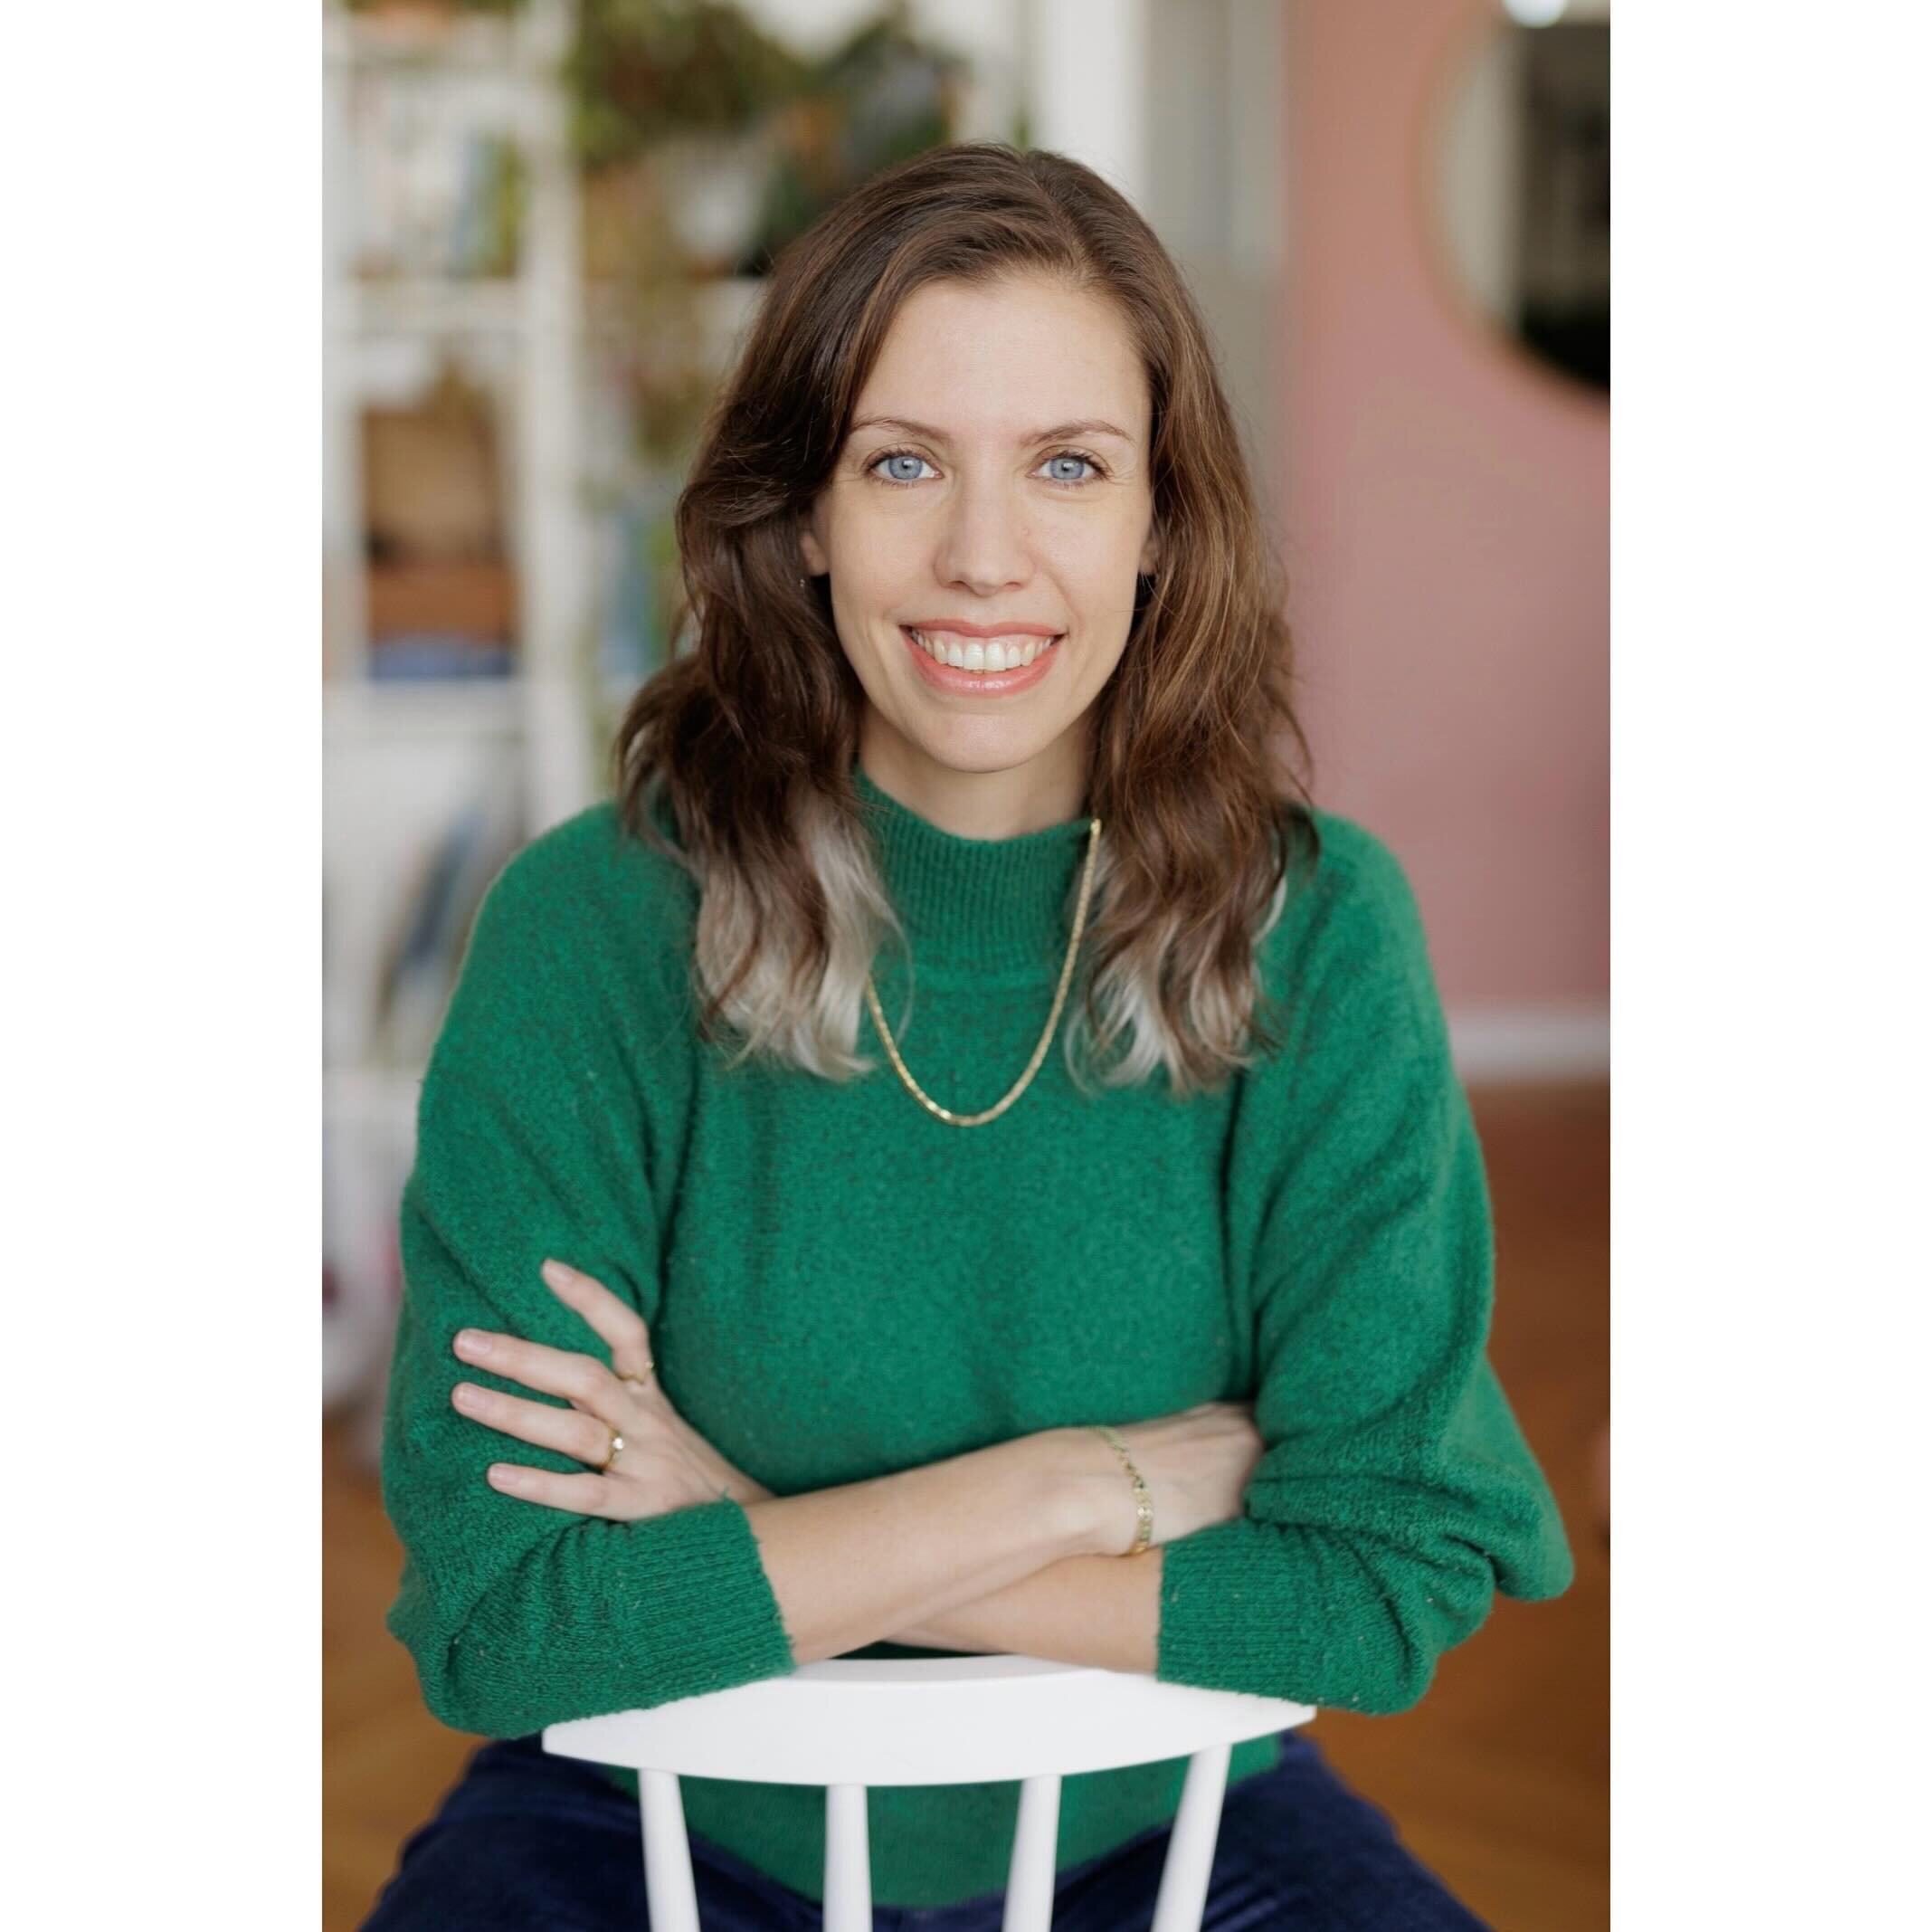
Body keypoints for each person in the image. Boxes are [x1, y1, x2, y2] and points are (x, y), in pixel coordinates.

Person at [361, 142, 1573, 1931]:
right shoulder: (597, 925)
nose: (983, 559)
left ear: (1162, 525)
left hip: (1163, 1827)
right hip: (653, 1820)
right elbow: (500, 1621)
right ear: (802, 515)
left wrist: (752, 1522)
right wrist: (1075, 1490)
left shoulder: (1316, 928)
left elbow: (1378, 1593)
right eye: (905, 462)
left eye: (1069, 468)